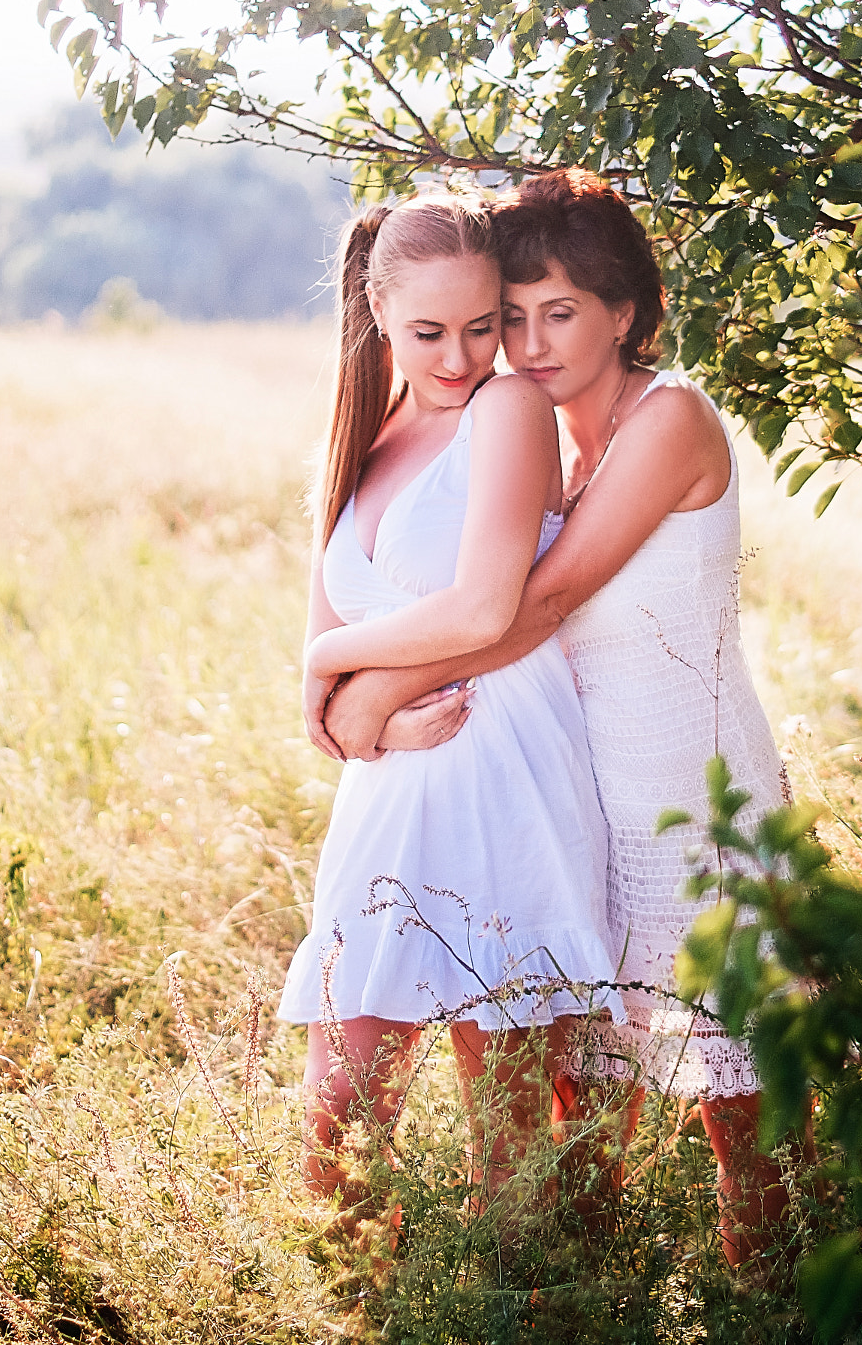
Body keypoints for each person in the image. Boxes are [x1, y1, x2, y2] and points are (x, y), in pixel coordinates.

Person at [314, 169, 797, 1270]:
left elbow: (537, 605)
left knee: (747, 1129)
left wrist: (366, 688)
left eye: (559, 312)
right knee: (581, 1126)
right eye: (512, 318)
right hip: (587, 801)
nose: (526, 344)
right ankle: (582, 1301)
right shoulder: (561, 445)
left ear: (625, 312)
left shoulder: (669, 418)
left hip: (694, 804)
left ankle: (786, 1306)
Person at [275, 189, 623, 1217]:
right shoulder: (359, 438)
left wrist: (342, 674)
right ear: (377, 309)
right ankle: (357, 1306)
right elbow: (325, 686)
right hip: (387, 800)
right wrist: (354, 709)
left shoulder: (506, 412)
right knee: (336, 1127)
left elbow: (482, 609)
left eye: (482, 326)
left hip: (499, 771)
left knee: (508, 1143)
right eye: (429, 331)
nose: (461, 355)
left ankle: (522, 1311)